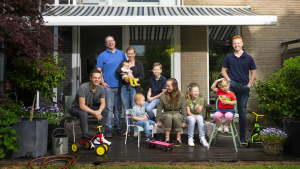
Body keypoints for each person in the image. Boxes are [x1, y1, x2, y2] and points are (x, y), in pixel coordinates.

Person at [221, 35, 257, 144]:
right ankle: (218, 118)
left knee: (242, 111)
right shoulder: (229, 57)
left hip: (244, 87)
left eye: (238, 43)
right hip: (233, 84)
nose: (236, 45)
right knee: (225, 99)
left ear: (242, 44)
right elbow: (223, 71)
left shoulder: (249, 58)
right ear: (232, 45)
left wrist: (249, 85)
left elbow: (253, 73)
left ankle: (242, 136)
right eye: (234, 43)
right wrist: (229, 80)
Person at [69, 69, 111, 145]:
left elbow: (103, 104)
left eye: (99, 78)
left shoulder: (101, 88)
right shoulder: (84, 87)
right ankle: (86, 135)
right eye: (95, 77)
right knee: (83, 113)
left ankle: (99, 135)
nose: (97, 80)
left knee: (105, 111)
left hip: (87, 107)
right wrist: (94, 113)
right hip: (75, 108)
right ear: (90, 78)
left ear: (101, 79)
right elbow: (82, 106)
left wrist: (99, 111)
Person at [97, 35, 127, 138]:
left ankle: (117, 127)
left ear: (114, 42)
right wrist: (102, 83)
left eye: (112, 41)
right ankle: (109, 129)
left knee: (118, 109)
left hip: (120, 86)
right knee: (109, 109)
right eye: (108, 41)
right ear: (106, 44)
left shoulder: (121, 54)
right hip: (108, 86)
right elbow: (98, 71)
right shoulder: (102, 55)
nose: (110, 42)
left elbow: (126, 67)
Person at [115, 46, 144, 138]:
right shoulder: (124, 63)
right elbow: (117, 71)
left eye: (132, 53)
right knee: (126, 109)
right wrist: (127, 74)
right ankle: (127, 130)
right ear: (126, 54)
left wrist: (135, 79)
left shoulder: (139, 64)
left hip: (134, 88)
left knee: (135, 109)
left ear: (134, 54)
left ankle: (135, 130)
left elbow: (142, 76)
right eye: (128, 53)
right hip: (124, 88)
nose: (130, 55)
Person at [156, 78, 187, 146]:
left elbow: (183, 109)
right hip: (166, 114)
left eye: (169, 86)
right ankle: (167, 139)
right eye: (166, 86)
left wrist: (184, 121)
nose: (167, 87)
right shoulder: (163, 95)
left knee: (176, 117)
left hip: (177, 114)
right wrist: (158, 121)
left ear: (174, 86)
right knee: (168, 116)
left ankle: (178, 139)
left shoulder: (181, 95)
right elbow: (159, 109)